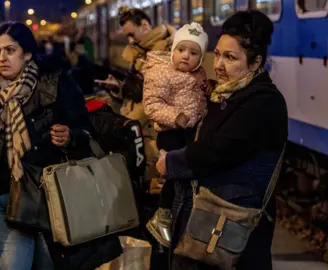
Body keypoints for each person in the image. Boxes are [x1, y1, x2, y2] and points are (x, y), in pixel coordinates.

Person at [0, 21, 122, 269]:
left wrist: (70, 137)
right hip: (7, 201)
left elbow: (88, 132)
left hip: (53, 201)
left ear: (27, 54)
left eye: (10, 50)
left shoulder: (56, 84)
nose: (2, 58)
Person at [154, 10, 288, 269]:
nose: (218, 65)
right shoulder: (228, 95)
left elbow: (219, 150)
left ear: (255, 62)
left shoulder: (264, 102)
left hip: (234, 236)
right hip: (209, 228)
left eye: (230, 57)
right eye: (216, 54)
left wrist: (170, 162)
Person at [142, 22, 209, 248]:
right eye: (181, 50)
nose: (185, 57)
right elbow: (151, 104)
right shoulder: (161, 73)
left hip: (189, 131)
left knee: (183, 177)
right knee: (172, 174)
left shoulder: (198, 74)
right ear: (172, 51)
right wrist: (175, 116)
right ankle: (162, 216)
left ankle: (177, 216)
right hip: (171, 133)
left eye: (193, 53)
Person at [103, 6, 177, 191]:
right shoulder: (142, 49)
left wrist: (130, 118)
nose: (130, 40)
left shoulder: (166, 50)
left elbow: (161, 92)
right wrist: (119, 88)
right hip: (140, 121)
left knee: (152, 167)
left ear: (145, 25)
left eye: (132, 34)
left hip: (152, 124)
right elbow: (137, 87)